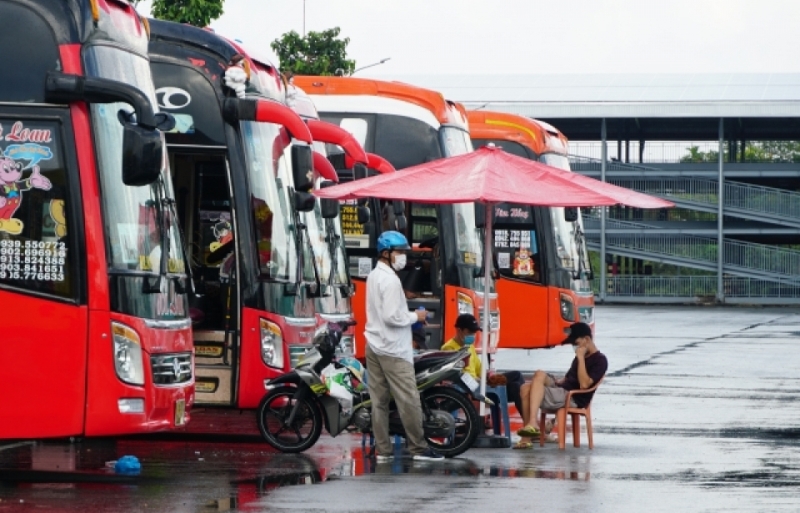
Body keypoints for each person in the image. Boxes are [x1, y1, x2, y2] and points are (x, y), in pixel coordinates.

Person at [364, 230, 444, 462]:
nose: (404, 258)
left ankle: (383, 451)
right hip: (393, 349)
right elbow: (392, 317)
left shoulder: (374, 276)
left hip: (374, 344)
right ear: (387, 253)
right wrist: (415, 317)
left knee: (378, 402)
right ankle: (418, 449)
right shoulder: (389, 280)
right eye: (400, 252)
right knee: (408, 399)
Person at [513, 321, 608, 450]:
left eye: (576, 343)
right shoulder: (578, 358)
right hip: (562, 390)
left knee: (528, 390)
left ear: (586, 339)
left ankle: (529, 432)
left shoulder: (600, 360)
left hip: (573, 397)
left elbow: (584, 385)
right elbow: (568, 379)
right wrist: (556, 381)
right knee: (534, 379)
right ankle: (532, 426)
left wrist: (580, 359)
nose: (574, 347)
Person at [441, 314, 525, 418]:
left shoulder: (469, 346)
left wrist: (489, 375)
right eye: (469, 332)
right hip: (470, 387)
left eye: (474, 333)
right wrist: (478, 379)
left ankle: (528, 422)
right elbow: (456, 375)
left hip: (480, 383)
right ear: (459, 330)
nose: (473, 335)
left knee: (516, 379)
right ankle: (529, 422)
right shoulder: (449, 348)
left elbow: (478, 369)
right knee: (516, 388)